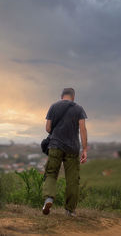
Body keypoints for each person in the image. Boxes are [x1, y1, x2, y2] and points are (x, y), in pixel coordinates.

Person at [42, 88, 88, 217]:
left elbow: (48, 128)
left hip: (55, 146)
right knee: (72, 180)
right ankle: (70, 210)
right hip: (72, 149)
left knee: (51, 173)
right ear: (73, 97)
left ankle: (49, 199)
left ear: (61, 96)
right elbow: (83, 129)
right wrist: (84, 149)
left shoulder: (53, 106)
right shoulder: (79, 108)